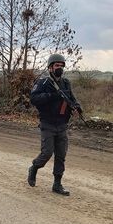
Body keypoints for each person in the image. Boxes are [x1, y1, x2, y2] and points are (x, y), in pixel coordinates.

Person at [27, 53, 82, 196]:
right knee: (46, 153)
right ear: (50, 67)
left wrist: (77, 107)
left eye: (62, 66)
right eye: (57, 66)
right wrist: (52, 96)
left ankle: (57, 184)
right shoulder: (44, 83)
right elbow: (34, 99)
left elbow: (72, 98)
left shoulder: (65, 83)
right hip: (48, 124)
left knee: (61, 155)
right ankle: (34, 168)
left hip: (62, 124)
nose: (60, 68)